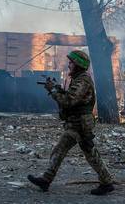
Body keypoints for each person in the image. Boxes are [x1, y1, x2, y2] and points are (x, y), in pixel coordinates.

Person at [27, 50, 114, 195]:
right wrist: (58, 89)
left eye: (71, 62)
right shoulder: (79, 78)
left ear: (78, 64)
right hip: (78, 122)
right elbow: (71, 97)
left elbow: (69, 101)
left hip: (80, 124)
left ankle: (46, 180)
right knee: (89, 152)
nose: (69, 65)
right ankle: (107, 182)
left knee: (61, 149)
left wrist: (53, 91)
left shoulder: (82, 80)